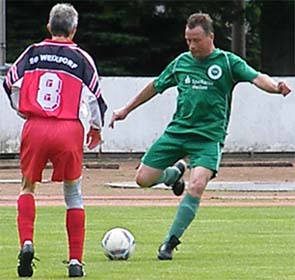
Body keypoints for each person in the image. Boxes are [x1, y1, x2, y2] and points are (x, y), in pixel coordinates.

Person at [109, 12, 291, 260]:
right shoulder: (181, 62)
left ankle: (169, 243)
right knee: (142, 179)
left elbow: (257, 77)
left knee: (196, 185)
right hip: (177, 132)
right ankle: (173, 175)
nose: (192, 46)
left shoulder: (227, 62)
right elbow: (155, 86)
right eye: (188, 41)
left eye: (196, 40)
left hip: (208, 138)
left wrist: (276, 87)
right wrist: (125, 110)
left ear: (210, 37)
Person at [3, 3, 107, 277]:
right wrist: (96, 128)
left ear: (49, 26)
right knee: (73, 194)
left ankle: (26, 242)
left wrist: (23, 107)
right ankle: (75, 261)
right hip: (68, 129)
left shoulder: (33, 52)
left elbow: (10, 81)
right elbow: (96, 97)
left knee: (28, 187)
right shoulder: (82, 58)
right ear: (74, 29)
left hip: (35, 125)